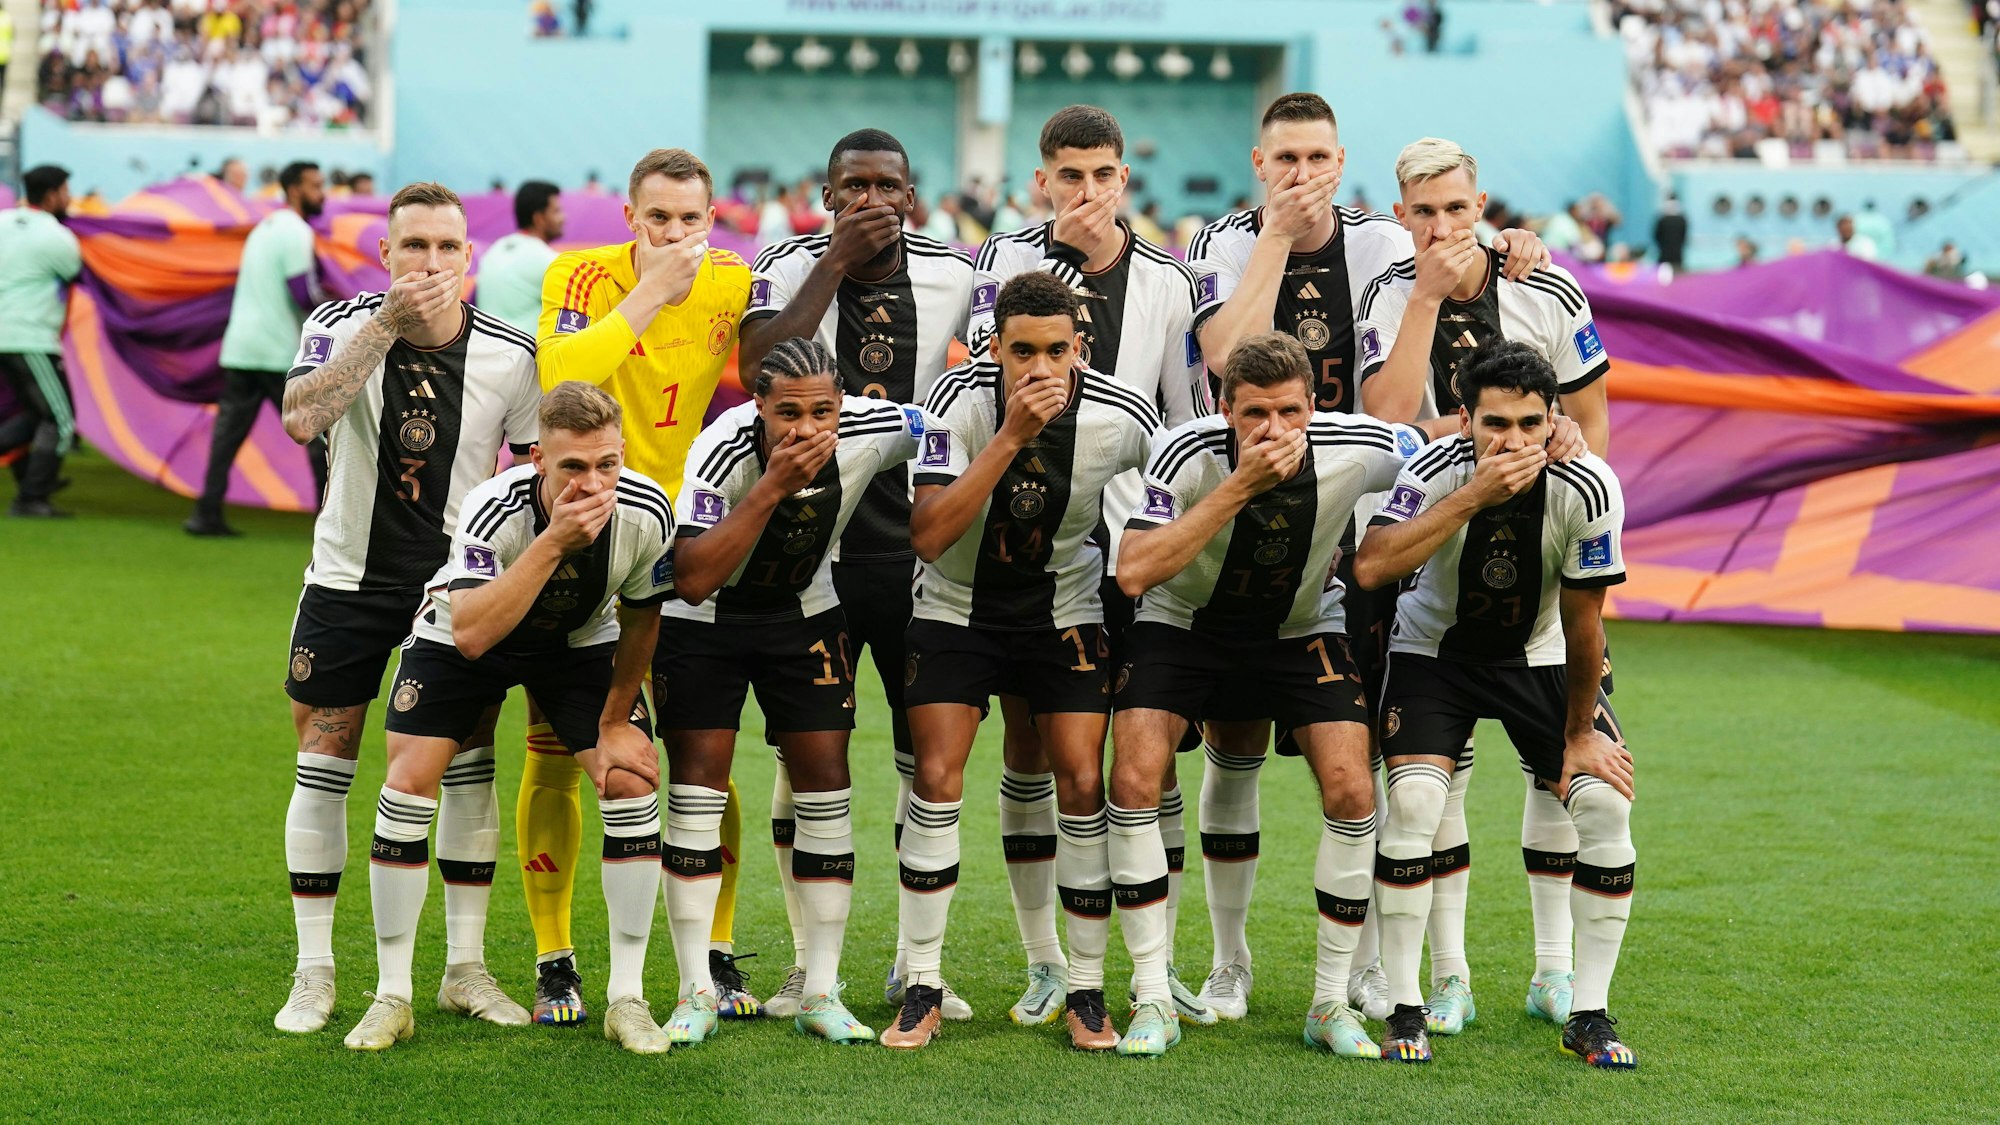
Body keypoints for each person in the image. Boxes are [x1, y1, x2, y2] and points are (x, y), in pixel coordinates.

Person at [1184, 95, 1547, 1023]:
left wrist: (1507, 241)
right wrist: (1275, 240)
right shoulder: (1221, 242)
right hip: (1250, 515)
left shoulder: (1386, 245)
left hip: (1373, 520)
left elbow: (1447, 258)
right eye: (1284, 159)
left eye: (1316, 157)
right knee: (1233, 745)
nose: (1302, 175)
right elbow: (1226, 360)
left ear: (1341, 162)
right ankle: (1231, 963)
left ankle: (1388, 964)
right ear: (1258, 163)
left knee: (1396, 759)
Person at [270, 181, 542, 1037]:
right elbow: (300, 419)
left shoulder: (513, 353)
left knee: (466, 761)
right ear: (385, 255)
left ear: (470, 260)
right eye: (413, 246)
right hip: (346, 578)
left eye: (446, 248)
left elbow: (534, 473)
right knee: (325, 759)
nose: (429, 263)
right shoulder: (339, 323)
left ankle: (464, 966)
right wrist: (384, 322)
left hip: (452, 590)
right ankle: (315, 970)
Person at [1110, 332, 1426, 1058]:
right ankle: (1156, 992)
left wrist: (1554, 434)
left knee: (1353, 788)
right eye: (1254, 413)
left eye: (1289, 412)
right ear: (1225, 408)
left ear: (1314, 406)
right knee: (1130, 779)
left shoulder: (1357, 444)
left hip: (1299, 627)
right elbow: (1134, 571)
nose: (1273, 430)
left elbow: (1438, 449)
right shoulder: (1185, 451)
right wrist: (1239, 485)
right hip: (1182, 624)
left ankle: (1327, 1000)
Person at [1355, 138, 1610, 1033]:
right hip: (1430, 543)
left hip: (1541, 551)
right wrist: (1455, 437)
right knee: (1435, 784)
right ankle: (1449, 974)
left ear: (1482, 205)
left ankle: (1553, 972)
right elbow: (1384, 421)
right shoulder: (1389, 293)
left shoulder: (1549, 285)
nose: (1442, 227)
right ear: (1400, 219)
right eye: (1422, 212)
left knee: (1560, 779)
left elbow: (1589, 405)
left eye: (1456, 208)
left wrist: (1578, 467)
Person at [341, 380, 678, 1054]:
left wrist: (615, 719)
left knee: (632, 783)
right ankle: (392, 996)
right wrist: (553, 541)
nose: (593, 481)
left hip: (578, 645)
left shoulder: (648, 510)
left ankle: (628, 999)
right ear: (536, 461)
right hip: (466, 635)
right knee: (406, 785)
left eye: (606, 463)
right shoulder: (492, 507)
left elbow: (643, 619)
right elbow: (470, 632)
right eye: (572, 466)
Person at [966, 103, 1210, 1025]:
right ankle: (1046, 961)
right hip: (1033, 538)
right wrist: (1058, 267)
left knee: (1151, 750)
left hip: (1135, 543)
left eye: (1103, 175)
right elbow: (978, 379)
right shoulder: (1001, 264)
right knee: (1035, 746)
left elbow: (1186, 413)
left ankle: (1159, 960)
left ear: (1124, 180)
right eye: (1069, 175)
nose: (1088, 192)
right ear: (1042, 181)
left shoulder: (1170, 279)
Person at [881, 271, 1160, 1051]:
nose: (1041, 368)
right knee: (936, 778)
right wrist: (1009, 434)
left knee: (1079, 778)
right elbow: (930, 535)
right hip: (954, 607)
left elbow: (1185, 482)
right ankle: (924, 983)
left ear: (1081, 346)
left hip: (1062, 612)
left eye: (1057, 350)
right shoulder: (953, 403)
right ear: (993, 348)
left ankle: (1084, 987)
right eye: (1022, 351)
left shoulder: (1122, 412)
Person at [738, 128, 974, 1020]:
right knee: (810, 760)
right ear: (828, 195)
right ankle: (807, 961)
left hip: (917, 555)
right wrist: (833, 264)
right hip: (813, 554)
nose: (872, 199)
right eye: (854, 187)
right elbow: (758, 368)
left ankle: (922, 963)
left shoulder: (955, 272)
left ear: (911, 196)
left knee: (925, 763)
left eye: (889, 186)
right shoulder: (787, 260)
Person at [1353, 340, 1636, 1070]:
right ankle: (1408, 1006)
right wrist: (1473, 495)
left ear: (1552, 423)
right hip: (1434, 655)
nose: (1512, 441)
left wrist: (1578, 734)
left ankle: (1588, 1012)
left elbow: (1583, 622)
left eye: (1529, 425)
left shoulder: (1590, 485)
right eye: (1495, 424)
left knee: (1603, 804)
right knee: (1414, 803)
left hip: (1539, 655)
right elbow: (1375, 563)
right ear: (1466, 420)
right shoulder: (1434, 469)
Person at [524, 147, 752, 1026]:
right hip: (582, 526)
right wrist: (652, 288)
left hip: (680, 539)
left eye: (691, 220)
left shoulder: (733, 279)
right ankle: (555, 958)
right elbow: (561, 376)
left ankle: (717, 947)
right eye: (658, 218)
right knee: (557, 745)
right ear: (630, 218)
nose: (676, 235)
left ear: (711, 220)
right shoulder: (578, 273)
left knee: (701, 753)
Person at [657, 338, 933, 1046]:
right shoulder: (722, 450)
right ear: (758, 405)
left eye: (822, 411)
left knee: (826, 787)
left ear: (842, 406)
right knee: (697, 793)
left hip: (804, 614)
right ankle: (695, 990)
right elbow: (691, 575)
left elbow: (945, 425)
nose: (806, 428)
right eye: (788, 412)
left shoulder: (873, 429)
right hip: (705, 624)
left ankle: (820, 988)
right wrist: (773, 485)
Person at [187, 160, 330, 536]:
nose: (323, 194)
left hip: (240, 347)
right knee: (318, 432)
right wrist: (341, 314)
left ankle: (206, 512)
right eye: (316, 186)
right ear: (296, 189)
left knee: (228, 436)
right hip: (276, 350)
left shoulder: (263, 228)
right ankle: (328, 524)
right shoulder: (296, 232)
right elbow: (303, 293)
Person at [0, 165, 83, 519]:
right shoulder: (55, 236)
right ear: (51, 196)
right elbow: (74, 273)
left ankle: (35, 486)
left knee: (35, 415)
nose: (69, 199)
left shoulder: (3, 222)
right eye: (66, 191)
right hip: (30, 336)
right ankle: (31, 499)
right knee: (61, 421)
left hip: (8, 334)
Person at [477, 180, 564, 333]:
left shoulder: (495, 249)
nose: (564, 218)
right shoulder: (548, 261)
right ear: (539, 219)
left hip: (486, 348)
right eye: (556, 211)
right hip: (524, 353)